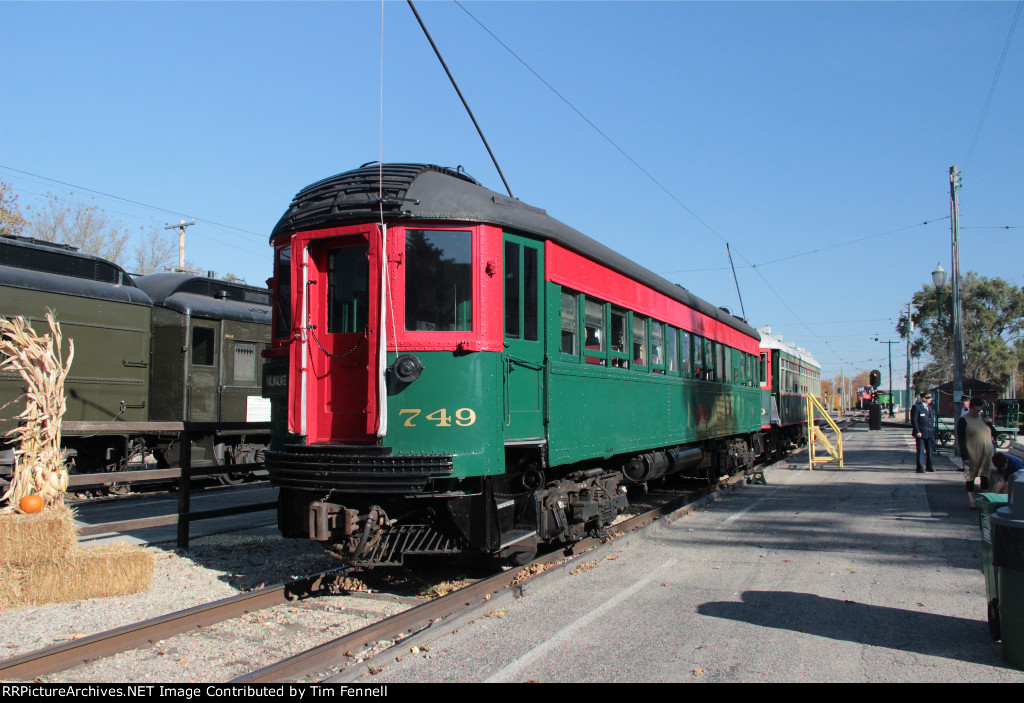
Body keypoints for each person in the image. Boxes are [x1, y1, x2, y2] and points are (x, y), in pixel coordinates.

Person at [958, 398, 995, 508]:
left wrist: (989, 423)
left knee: (985, 476)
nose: (977, 413)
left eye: (979, 411)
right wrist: (965, 457)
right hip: (971, 454)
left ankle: (984, 500)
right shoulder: (963, 420)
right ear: (970, 408)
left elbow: (995, 433)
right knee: (969, 477)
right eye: (975, 410)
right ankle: (972, 501)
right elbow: (961, 439)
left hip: (985, 454)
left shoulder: (983, 419)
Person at [911, 392, 936, 473]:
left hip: (929, 432)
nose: (931, 399)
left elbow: (931, 419)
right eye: (929, 398)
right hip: (921, 432)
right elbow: (914, 420)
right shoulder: (917, 407)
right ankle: (920, 467)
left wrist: (933, 430)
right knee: (921, 450)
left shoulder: (929, 407)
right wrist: (917, 431)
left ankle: (929, 466)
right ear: (924, 399)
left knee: (929, 450)